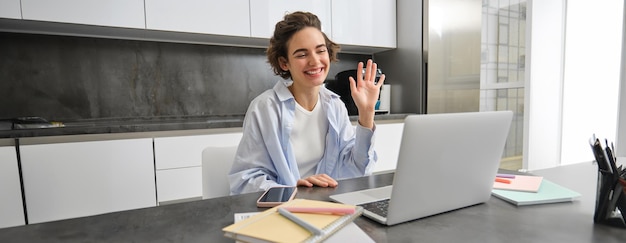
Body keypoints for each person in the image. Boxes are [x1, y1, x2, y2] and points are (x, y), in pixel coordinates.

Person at [228, 11, 385, 194]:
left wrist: (366, 115)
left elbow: (357, 170)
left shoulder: (334, 105)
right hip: (283, 211)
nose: (315, 61)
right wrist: (292, 190)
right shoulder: (265, 109)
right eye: (302, 54)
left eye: (320, 50)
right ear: (284, 63)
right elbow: (245, 182)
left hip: (326, 207)